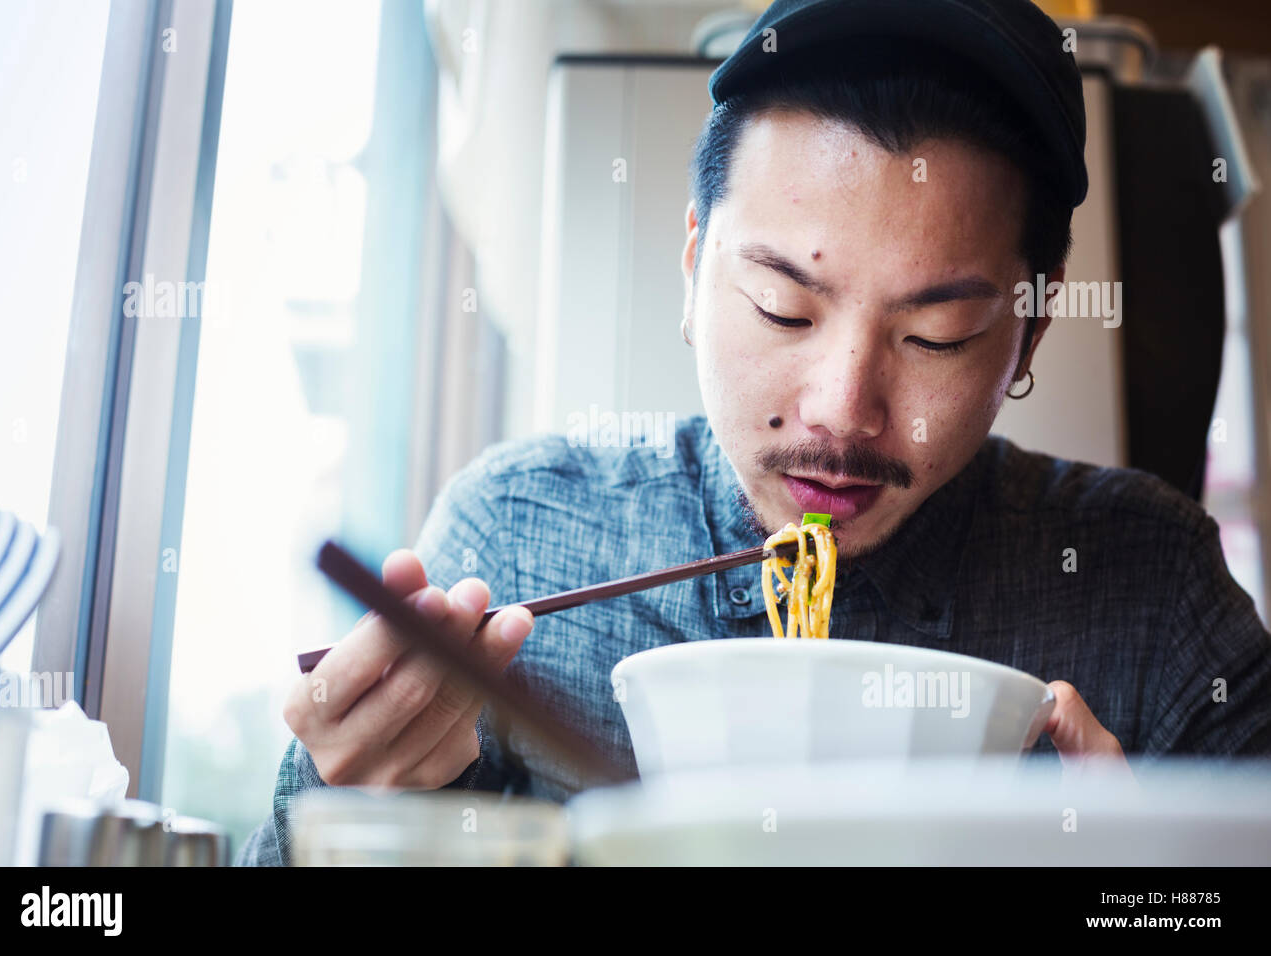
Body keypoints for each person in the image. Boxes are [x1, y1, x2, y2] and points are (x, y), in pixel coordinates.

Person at [237, 0, 1271, 865]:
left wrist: (1153, 889)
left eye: (936, 333)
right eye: (784, 307)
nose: (840, 409)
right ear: (693, 266)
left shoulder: (1150, 589)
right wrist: (333, 796)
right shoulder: (515, 534)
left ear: (1029, 329)